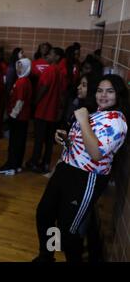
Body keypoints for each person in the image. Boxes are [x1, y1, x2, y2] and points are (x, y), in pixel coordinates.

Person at [33, 74, 128, 262]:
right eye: (100, 90)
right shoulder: (97, 112)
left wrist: (83, 120)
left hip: (86, 178)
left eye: (109, 91)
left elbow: (96, 153)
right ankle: (47, 256)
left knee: (69, 230)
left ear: (119, 95)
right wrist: (65, 137)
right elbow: (83, 140)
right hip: (66, 169)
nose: (103, 95)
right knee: (45, 213)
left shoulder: (117, 121)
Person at [26, 47, 64, 173]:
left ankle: (34, 162)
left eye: (51, 54)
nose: (48, 55)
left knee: (39, 139)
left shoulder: (50, 70)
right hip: (52, 112)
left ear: (57, 57)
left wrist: (35, 101)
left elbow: (44, 87)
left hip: (43, 110)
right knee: (48, 140)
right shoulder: (59, 71)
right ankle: (46, 163)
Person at [0, 58, 32, 176]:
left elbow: (20, 100)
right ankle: (17, 165)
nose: (18, 68)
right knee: (20, 142)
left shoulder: (22, 82)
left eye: (21, 66)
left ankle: (11, 166)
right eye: (18, 65)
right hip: (23, 117)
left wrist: (13, 115)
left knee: (14, 143)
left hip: (18, 117)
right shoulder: (25, 80)